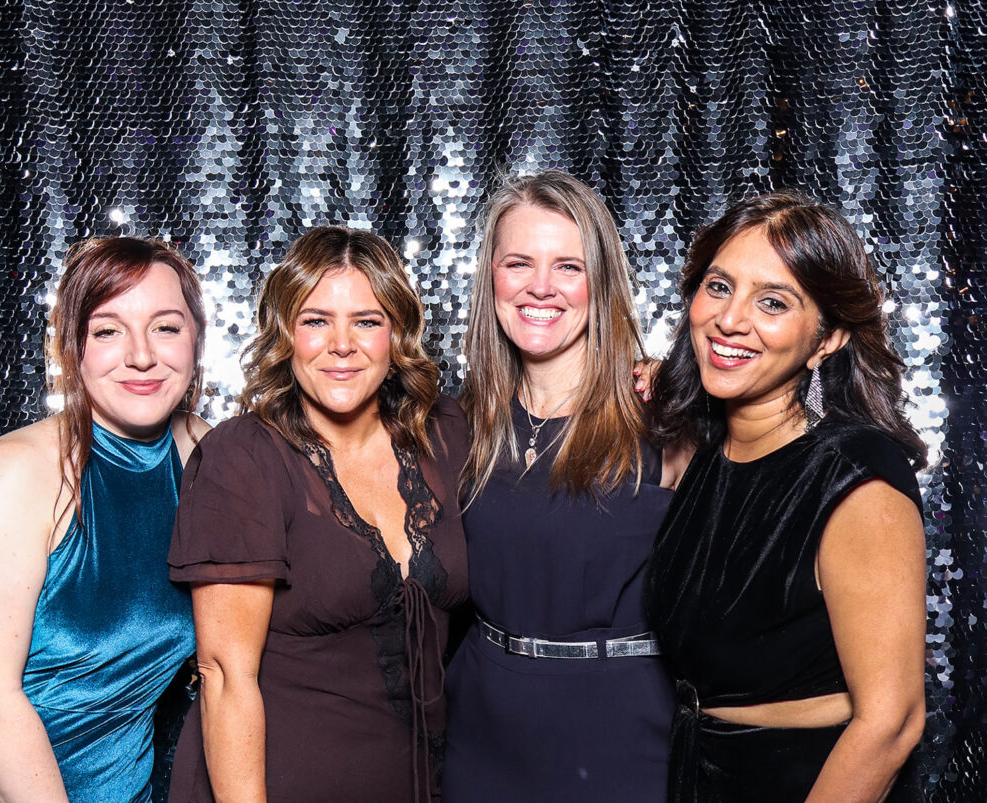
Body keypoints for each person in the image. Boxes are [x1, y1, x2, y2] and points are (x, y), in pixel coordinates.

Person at [166, 226, 469, 803]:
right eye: (315, 320)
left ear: (396, 334)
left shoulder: (445, 435)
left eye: (367, 320)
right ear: (286, 334)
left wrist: (650, 381)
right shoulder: (243, 459)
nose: (341, 345)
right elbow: (226, 677)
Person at [645, 192, 927, 802]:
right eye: (719, 287)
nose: (730, 319)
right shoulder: (713, 454)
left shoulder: (855, 476)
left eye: (773, 303)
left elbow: (892, 724)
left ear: (827, 340)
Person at [443, 170, 681, 802]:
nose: (540, 287)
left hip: (619, 732)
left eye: (568, 267)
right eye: (518, 262)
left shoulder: (664, 418)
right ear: (491, 278)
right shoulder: (457, 423)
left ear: (600, 284)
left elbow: (795, 471)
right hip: (480, 728)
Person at [0, 237, 208, 801]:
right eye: (108, 330)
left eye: (166, 327)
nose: (141, 355)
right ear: (74, 347)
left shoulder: (210, 458)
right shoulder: (17, 472)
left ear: (196, 339)